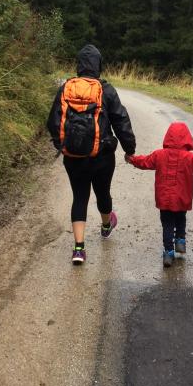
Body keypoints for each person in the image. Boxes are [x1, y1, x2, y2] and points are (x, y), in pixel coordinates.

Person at [47, 44, 136, 265]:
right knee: (102, 192)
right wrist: (129, 149)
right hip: (102, 156)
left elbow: (53, 121)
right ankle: (106, 226)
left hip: (73, 157)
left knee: (79, 197)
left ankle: (79, 249)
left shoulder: (66, 88)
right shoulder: (106, 90)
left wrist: (63, 144)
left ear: (78, 65)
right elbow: (121, 121)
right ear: (98, 65)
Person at [126, 121, 193, 267]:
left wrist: (131, 159)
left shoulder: (159, 155)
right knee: (181, 218)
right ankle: (180, 241)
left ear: (168, 137)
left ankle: (168, 252)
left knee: (167, 224)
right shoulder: (191, 158)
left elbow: (144, 162)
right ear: (187, 138)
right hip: (182, 198)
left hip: (164, 199)